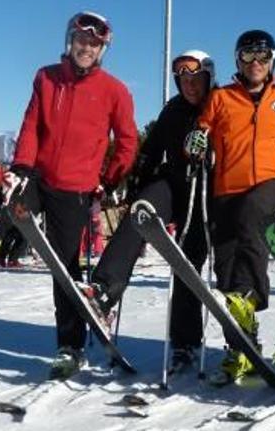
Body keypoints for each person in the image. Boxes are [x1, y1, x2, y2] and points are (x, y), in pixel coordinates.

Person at [0, 11, 139, 381]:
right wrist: (19, 168)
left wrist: (108, 181)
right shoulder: (47, 77)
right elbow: (32, 124)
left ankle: (70, 346)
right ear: (70, 40)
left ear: (102, 51)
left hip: (77, 187)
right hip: (37, 175)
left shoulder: (115, 90)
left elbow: (128, 142)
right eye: (81, 41)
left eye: (94, 44)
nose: (86, 48)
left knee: (64, 267)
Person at [82, 50, 216, 373]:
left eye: (196, 79)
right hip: (172, 185)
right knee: (141, 212)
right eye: (183, 79)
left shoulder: (220, 104)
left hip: (204, 192)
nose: (189, 85)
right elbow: (152, 148)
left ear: (208, 77)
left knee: (188, 263)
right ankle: (103, 289)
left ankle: (185, 342)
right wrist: (139, 177)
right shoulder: (173, 109)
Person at [185, 30, 275, 386]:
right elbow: (200, 132)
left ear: (273, 60)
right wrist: (196, 142)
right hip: (225, 192)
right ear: (238, 61)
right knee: (229, 274)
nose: (255, 64)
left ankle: (255, 294)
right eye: (248, 57)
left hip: (270, 184)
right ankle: (242, 350)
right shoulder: (221, 98)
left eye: (262, 57)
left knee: (253, 215)